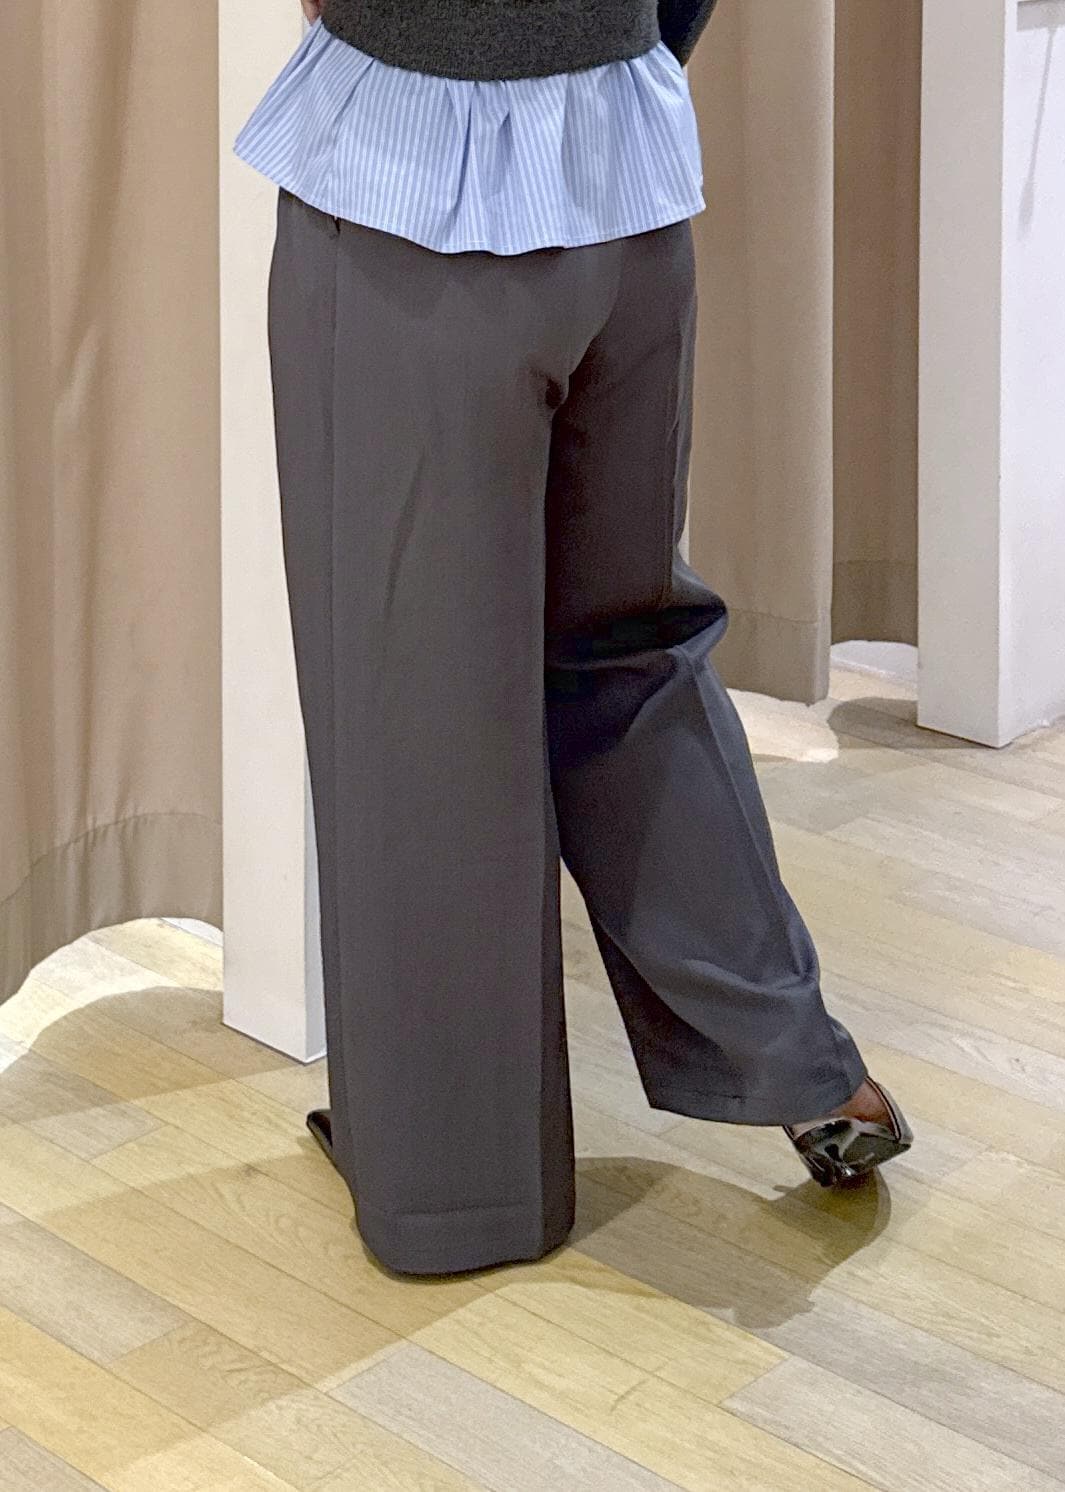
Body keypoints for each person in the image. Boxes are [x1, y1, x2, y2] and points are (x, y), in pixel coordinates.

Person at [234, 0, 912, 1279]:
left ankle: (456, 1190)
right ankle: (806, 1066)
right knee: (628, 655)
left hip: (412, 197)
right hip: (623, 183)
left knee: (416, 705)